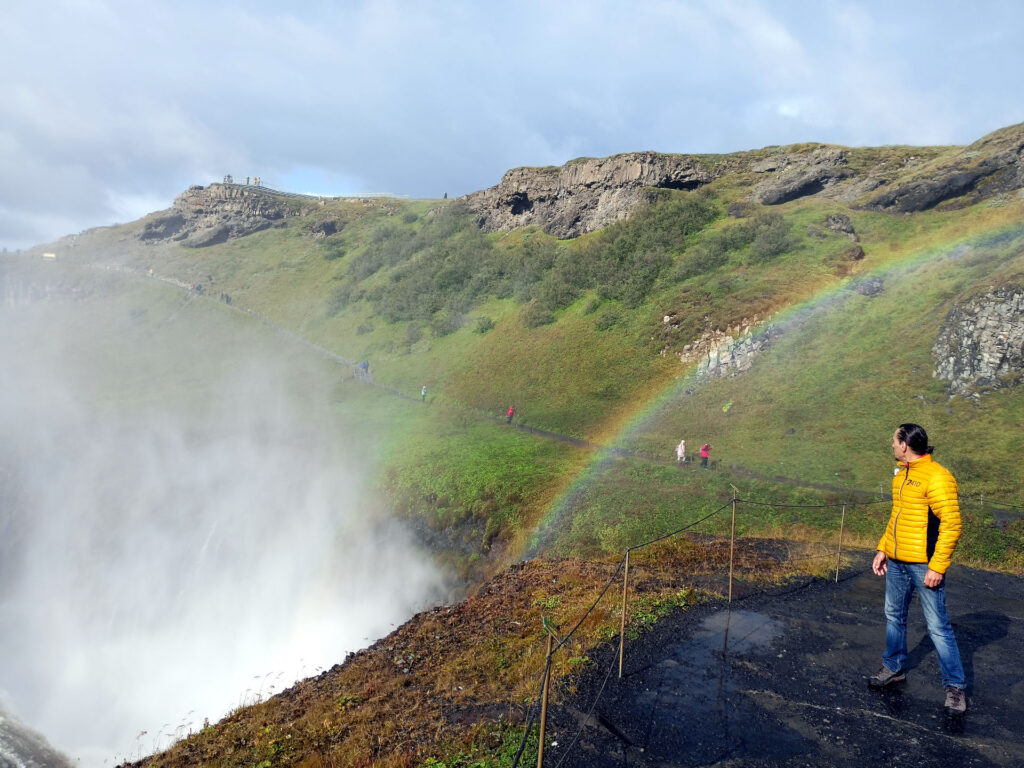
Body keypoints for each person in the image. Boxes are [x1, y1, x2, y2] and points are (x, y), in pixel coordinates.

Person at [869, 423, 966, 716]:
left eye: (894, 440)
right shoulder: (902, 475)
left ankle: (955, 688)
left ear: (905, 445)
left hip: (924, 563)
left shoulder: (938, 477)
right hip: (897, 561)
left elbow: (952, 524)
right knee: (893, 615)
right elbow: (897, 516)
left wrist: (937, 566)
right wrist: (884, 548)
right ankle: (893, 667)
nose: (891, 445)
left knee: (937, 626)